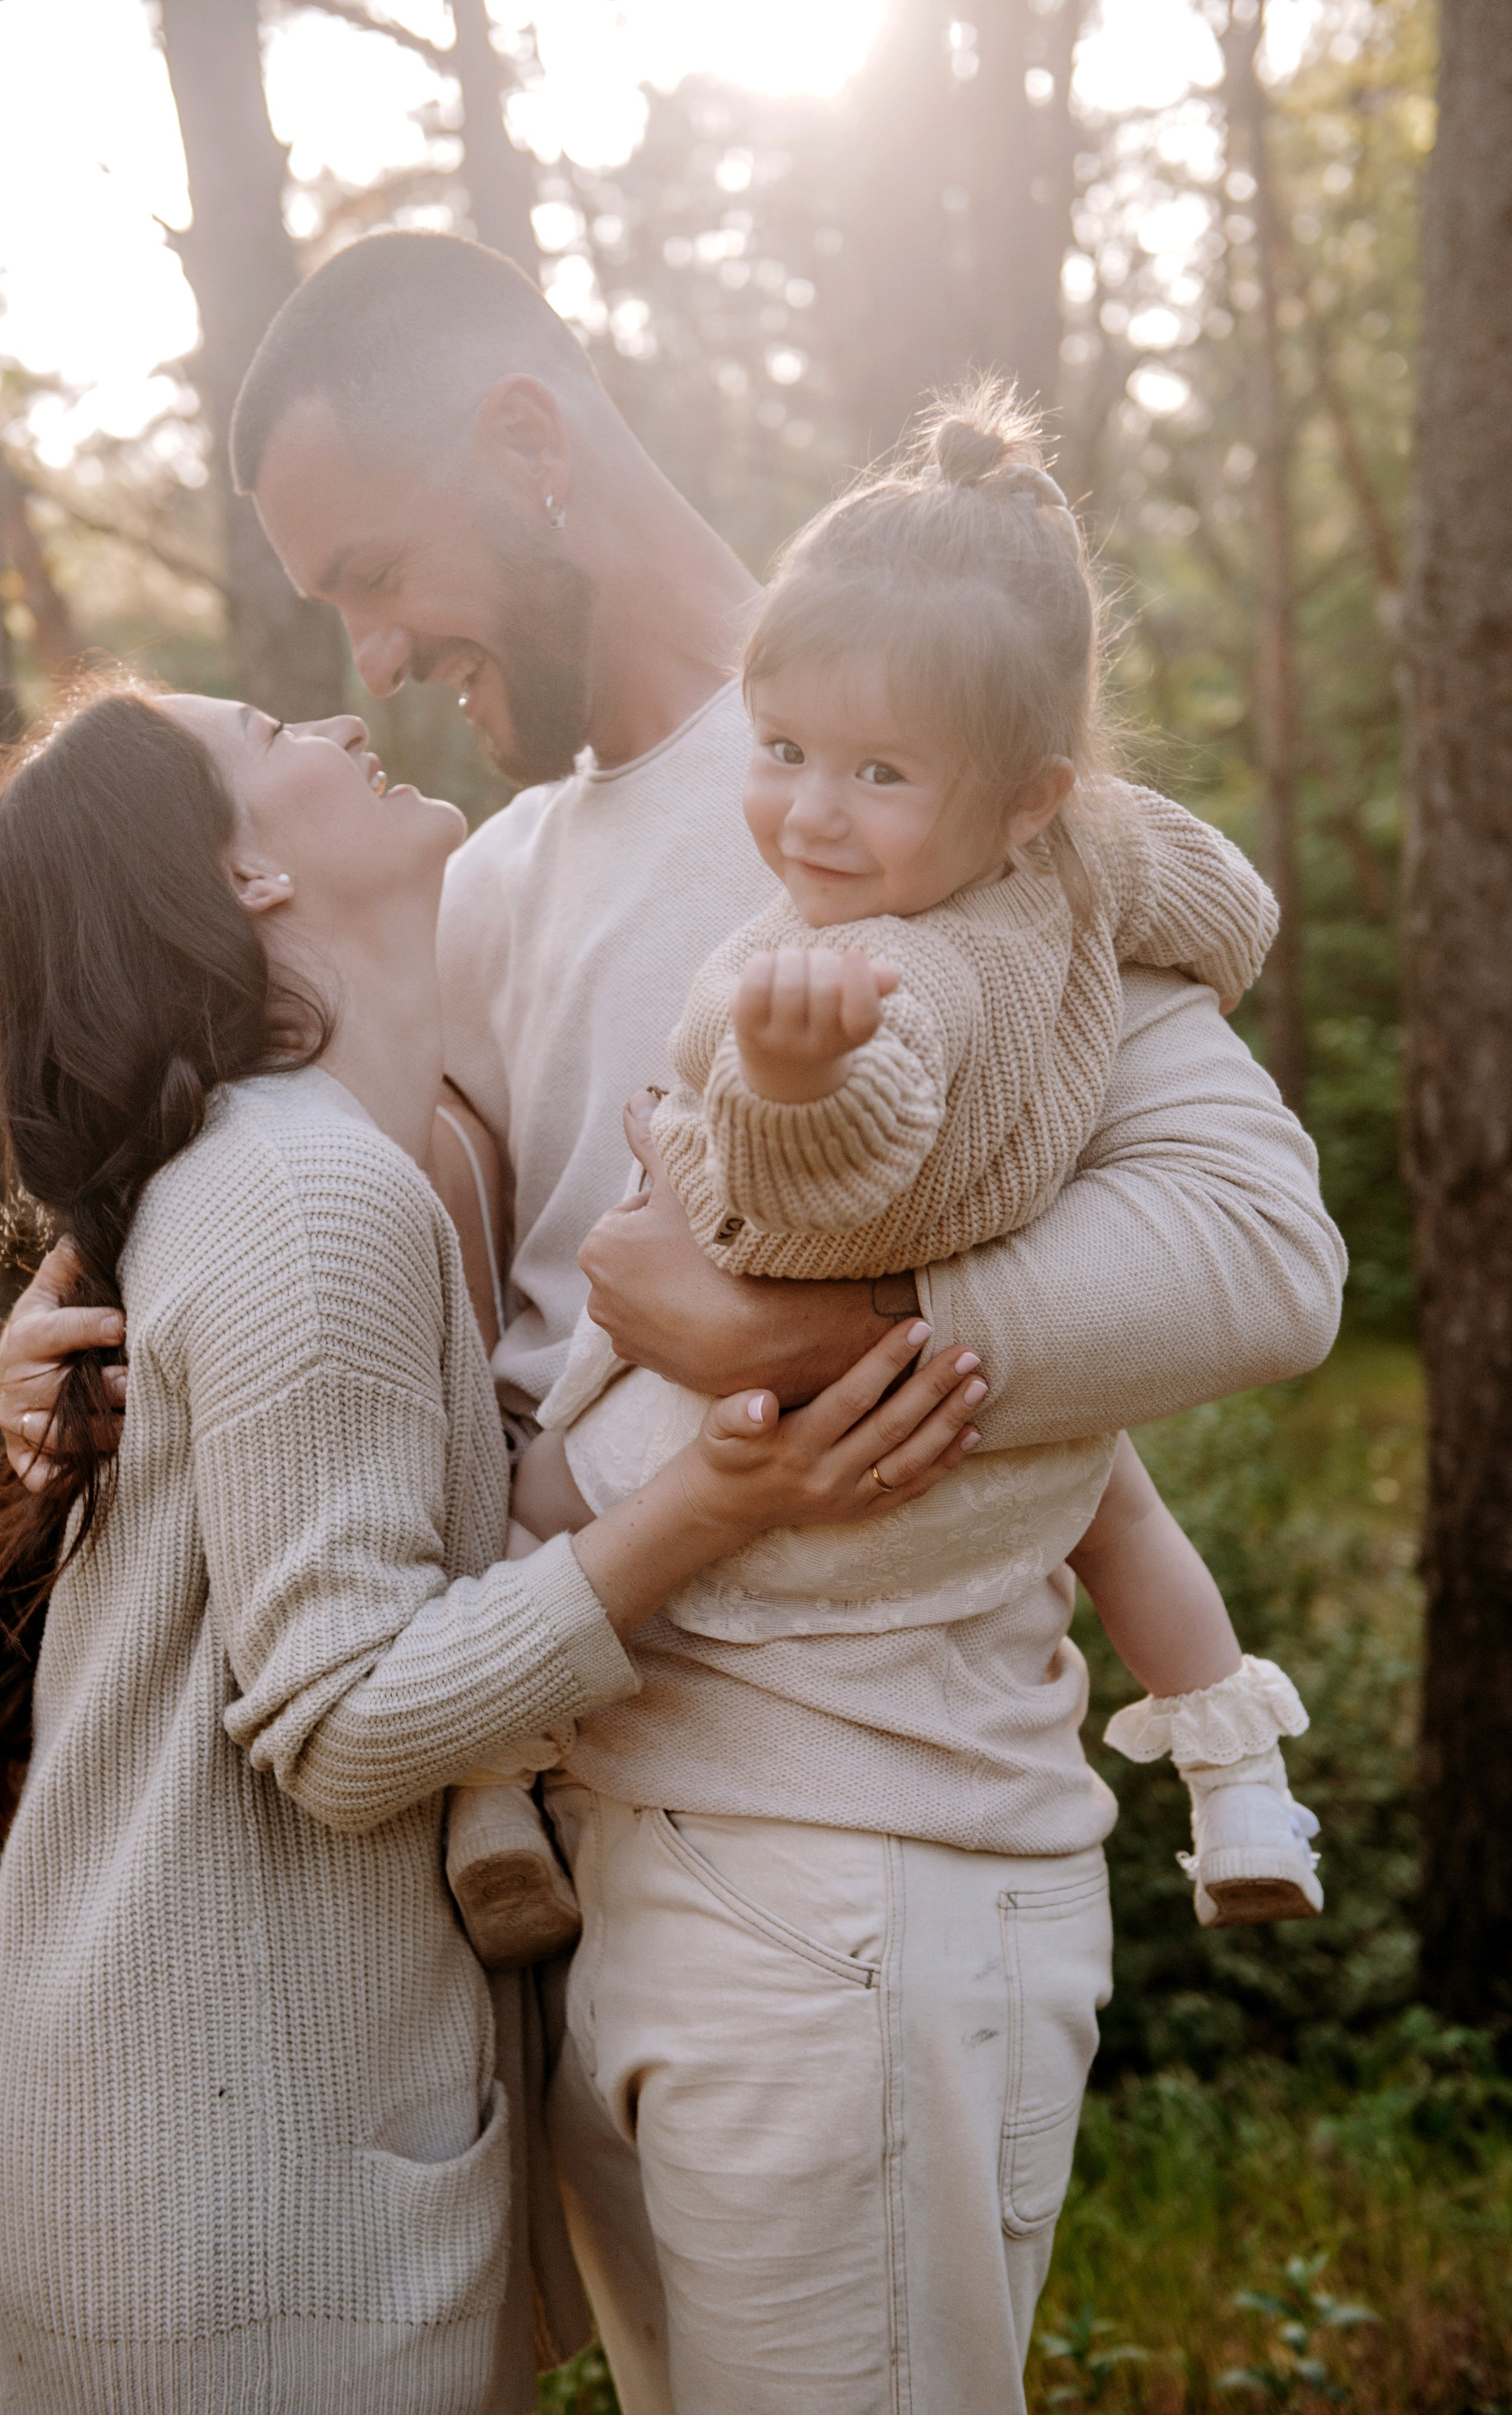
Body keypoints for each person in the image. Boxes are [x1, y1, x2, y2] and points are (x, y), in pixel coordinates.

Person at [0, 231, 1346, 2415]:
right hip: (591, 1881)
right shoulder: (500, 871)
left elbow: (1261, 1255)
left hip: (863, 1876)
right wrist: (85, 1326)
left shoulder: (931, 772)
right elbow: (364, 1229)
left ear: (527, 447)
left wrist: (780, 1318)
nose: (369, 653)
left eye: (374, 568)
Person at [0, 676, 982, 2415]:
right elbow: (346, 1719)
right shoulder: (306, 1196)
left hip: (214, 2139)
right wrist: (707, 1508)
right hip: (231, 2192)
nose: (341, 721)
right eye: (273, 734)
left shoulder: (307, 1165)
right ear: (246, 875)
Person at [500, 379, 1322, 1965]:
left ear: (1021, 794)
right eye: (785, 747)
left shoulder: (888, 971)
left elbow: (836, 1165)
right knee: (1114, 1504)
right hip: (972, 1350)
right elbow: (1217, 896)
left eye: (878, 775)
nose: (809, 813)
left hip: (797, 1344)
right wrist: (1183, 973)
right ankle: (1234, 1780)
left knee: (546, 1488)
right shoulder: (1084, 855)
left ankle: (488, 1772)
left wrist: (796, 1076)